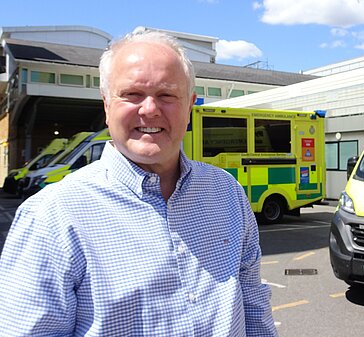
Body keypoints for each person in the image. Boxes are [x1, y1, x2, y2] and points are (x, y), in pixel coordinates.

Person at [0, 30, 278, 336]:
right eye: (132, 94)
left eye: (167, 94)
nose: (149, 109)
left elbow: (253, 304)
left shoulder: (227, 193)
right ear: (106, 105)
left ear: (189, 106)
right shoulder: (51, 216)